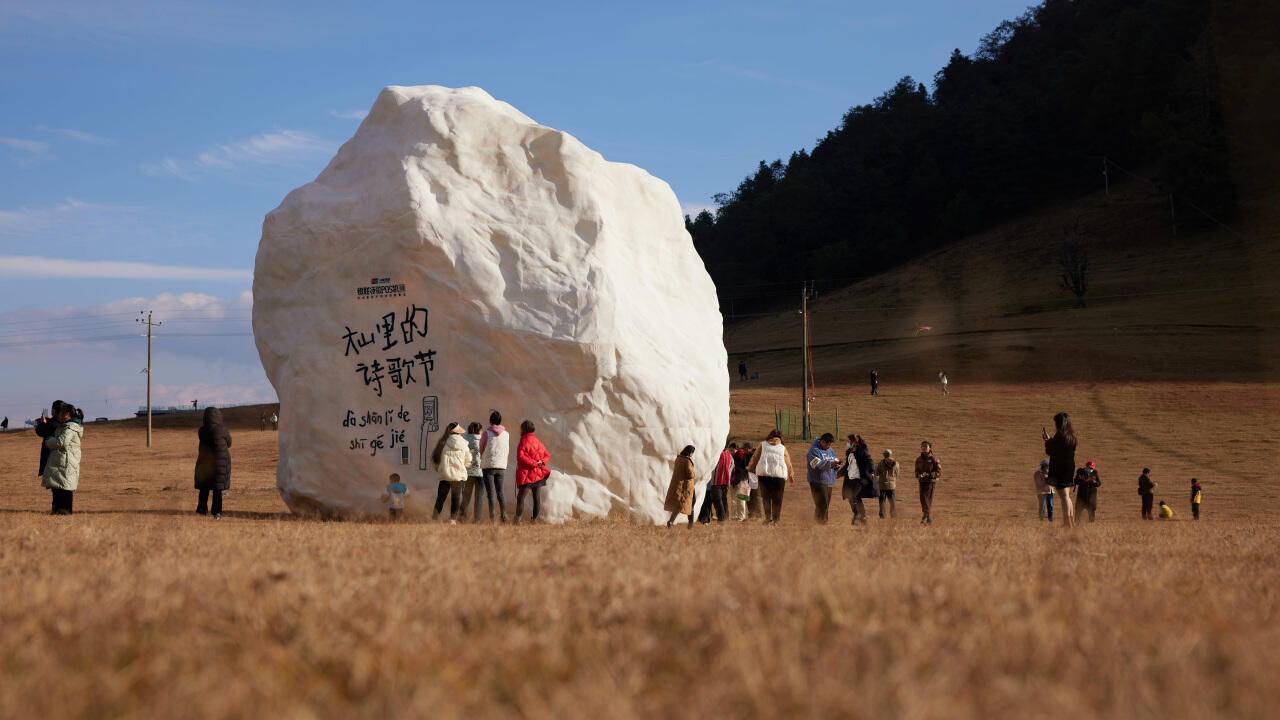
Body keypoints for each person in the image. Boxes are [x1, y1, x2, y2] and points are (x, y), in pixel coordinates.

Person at [41, 403, 82, 515]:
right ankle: (57, 512)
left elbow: (61, 442)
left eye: (60, 412)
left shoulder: (70, 427)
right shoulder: (64, 426)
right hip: (61, 462)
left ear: (67, 414)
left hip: (66, 463)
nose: (58, 415)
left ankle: (65, 513)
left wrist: (48, 441)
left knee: (65, 489)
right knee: (58, 488)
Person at [747, 429, 794, 524]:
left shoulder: (763, 444)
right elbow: (788, 462)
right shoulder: (782, 448)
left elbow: (755, 457)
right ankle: (776, 520)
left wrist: (750, 468)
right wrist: (791, 475)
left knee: (766, 498)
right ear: (780, 438)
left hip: (764, 475)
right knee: (778, 499)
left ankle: (768, 518)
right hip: (779, 476)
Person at [193, 407, 232, 519]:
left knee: (204, 489)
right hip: (220, 464)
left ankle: (202, 510)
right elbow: (229, 443)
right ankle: (217, 512)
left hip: (205, 462)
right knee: (217, 489)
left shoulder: (201, 430)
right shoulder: (223, 429)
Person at [1043, 412, 1077, 528]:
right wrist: (1051, 441)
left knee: (1064, 497)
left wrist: (1048, 441)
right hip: (1069, 467)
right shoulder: (1072, 436)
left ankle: (1067, 522)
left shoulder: (1060, 436)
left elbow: (1050, 451)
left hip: (1059, 468)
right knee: (1067, 495)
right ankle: (1071, 521)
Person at [431, 422, 469, 522]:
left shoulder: (443, 442)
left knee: (441, 498)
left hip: (445, 474)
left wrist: (437, 467)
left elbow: (435, 457)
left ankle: (434, 519)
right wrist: (464, 467)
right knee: (456, 498)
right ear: (458, 433)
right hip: (458, 475)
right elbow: (468, 460)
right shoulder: (464, 444)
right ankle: (452, 520)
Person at [514, 420, 550, 524]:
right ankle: (534, 521)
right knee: (536, 498)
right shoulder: (538, 441)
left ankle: (517, 521)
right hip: (538, 475)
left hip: (527, 475)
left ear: (523, 429)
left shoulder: (523, 441)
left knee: (521, 497)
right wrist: (540, 463)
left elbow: (520, 457)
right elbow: (547, 455)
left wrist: (533, 463)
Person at [478, 411, 509, 523]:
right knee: (500, 492)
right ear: (500, 421)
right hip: (501, 466)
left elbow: (480, 449)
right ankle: (504, 517)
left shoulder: (486, 433)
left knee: (490, 493)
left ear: (491, 421)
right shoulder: (506, 434)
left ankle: (492, 518)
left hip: (488, 466)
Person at [806, 433, 841, 524]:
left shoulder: (831, 450)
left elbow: (834, 461)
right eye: (827, 444)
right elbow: (816, 465)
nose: (828, 446)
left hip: (829, 481)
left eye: (830, 444)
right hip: (817, 481)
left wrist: (837, 466)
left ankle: (817, 522)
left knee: (825, 504)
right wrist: (831, 464)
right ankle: (823, 522)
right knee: (823, 503)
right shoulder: (813, 451)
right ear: (822, 441)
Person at [842, 434, 876, 526]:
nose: (848, 443)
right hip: (850, 479)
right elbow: (847, 466)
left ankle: (859, 516)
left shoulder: (862, 451)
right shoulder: (850, 452)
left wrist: (872, 471)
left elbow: (870, 461)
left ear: (854, 443)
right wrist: (838, 474)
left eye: (849, 442)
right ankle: (860, 516)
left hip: (859, 479)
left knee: (854, 496)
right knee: (852, 497)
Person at [699, 442, 733, 523]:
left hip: (715, 481)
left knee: (717, 500)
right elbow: (732, 466)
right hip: (725, 481)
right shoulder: (729, 454)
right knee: (723, 499)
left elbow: (709, 465)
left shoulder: (717, 454)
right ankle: (725, 516)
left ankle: (722, 518)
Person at [664, 446, 697, 528]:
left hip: (678, 484)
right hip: (686, 486)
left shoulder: (678, 459)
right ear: (690, 453)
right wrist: (694, 474)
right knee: (691, 503)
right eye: (693, 453)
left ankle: (671, 521)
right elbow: (690, 474)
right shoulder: (687, 461)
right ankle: (690, 524)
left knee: (678, 505)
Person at [35, 400, 64, 481]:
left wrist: (43, 423)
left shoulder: (52, 423)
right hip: (62, 459)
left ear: (54, 410)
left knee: (56, 488)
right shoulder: (65, 423)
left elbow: (40, 431)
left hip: (51, 459)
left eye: (52, 408)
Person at [461, 421, 484, 522]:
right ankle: (477, 519)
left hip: (468, 472)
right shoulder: (483, 440)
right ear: (479, 431)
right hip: (481, 472)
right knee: (479, 497)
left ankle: (462, 518)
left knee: (466, 496)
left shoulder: (464, 440)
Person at [915, 440, 941, 525]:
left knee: (927, 500)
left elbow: (939, 472)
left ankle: (925, 517)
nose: (924, 448)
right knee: (922, 500)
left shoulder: (934, 459)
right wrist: (920, 475)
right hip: (922, 482)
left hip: (930, 482)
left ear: (930, 448)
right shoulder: (918, 459)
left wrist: (930, 474)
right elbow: (916, 471)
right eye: (922, 446)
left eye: (926, 446)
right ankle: (928, 518)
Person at [876, 449, 899, 519]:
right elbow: (897, 474)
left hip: (882, 485)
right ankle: (893, 515)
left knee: (882, 501)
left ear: (885, 455)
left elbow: (877, 473)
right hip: (892, 485)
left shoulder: (881, 463)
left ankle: (882, 515)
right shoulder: (896, 463)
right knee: (892, 501)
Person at [730, 443, 750, 521]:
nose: (731, 452)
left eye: (732, 450)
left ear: (736, 449)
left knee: (741, 499)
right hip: (733, 481)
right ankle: (734, 516)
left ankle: (741, 516)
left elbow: (746, 468)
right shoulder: (731, 457)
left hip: (743, 480)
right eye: (730, 450)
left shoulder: (743, 456)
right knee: (733, 500)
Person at [742, 442, 762, 520]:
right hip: (746, 479)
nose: (743, 450)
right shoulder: (745, 455)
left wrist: (750, 468)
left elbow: (759, 466)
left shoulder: (757, 455)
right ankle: (751, 514)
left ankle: (759, 515)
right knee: (748, 497)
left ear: (748, 448)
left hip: (755, 478)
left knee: (756, 497)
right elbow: (742, 465)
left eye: (744, 448)